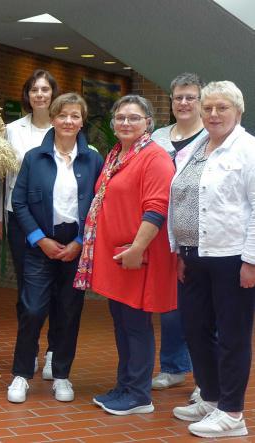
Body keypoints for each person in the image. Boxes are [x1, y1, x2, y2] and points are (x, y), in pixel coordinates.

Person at [76, 95, 177, 415]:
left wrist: (137, 249)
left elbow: (157, 208)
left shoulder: (155, 158)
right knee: (121, 323)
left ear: (149, 122)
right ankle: (125, 385)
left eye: (134, 118)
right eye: (120, 118)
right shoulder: (117, 154)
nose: (125, 123)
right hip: (117, 258)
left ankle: (138, 395)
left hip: (135, 258)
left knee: (135, 324)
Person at [168, 81, 255, 438]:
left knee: (233, 335)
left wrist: (251, 260)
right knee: (195, 329)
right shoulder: (196, 147)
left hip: (231, 257)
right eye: (208, 108)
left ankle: (232, 414)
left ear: (238, 111)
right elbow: (180, 200)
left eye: (222, 108)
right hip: (193, 255)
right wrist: (179, 250)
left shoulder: (248, 150)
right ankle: (211, 396)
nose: (213, 114)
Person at [7, 93, 104, 404]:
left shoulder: (93, 159)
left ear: (81, 120)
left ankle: (61, 375)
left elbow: (100, 206)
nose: (68, 121)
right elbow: (19, 202)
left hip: (76, 248)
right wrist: (40, 239)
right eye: (62, 115)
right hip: (41, 245)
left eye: (75, 116)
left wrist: (79, 243)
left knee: (68, 312)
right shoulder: (34, 158)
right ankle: (21, 374)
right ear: (53, 118)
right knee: (33, 309)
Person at [0, 69, 61, 379]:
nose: (40, 94)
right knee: (27, 290)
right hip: (18, 216)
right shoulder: (11, 130)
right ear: (27, 94)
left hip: (55, 218)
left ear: (53, 93)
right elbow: (4, 177)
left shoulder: (63, 127)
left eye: (45, 89)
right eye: (34, 89)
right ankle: (29, 348)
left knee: (57, 289)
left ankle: (53, 352)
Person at [150, 73, 206, 399]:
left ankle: (205, 380)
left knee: (200, 310)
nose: (183, 103)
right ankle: (172, 367)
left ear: (200, 101)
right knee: (169, 307)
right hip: (160, 234)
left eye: (190, 97)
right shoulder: (157, 137)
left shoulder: (211, 137)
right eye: (178, 97)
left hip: (196, 235)